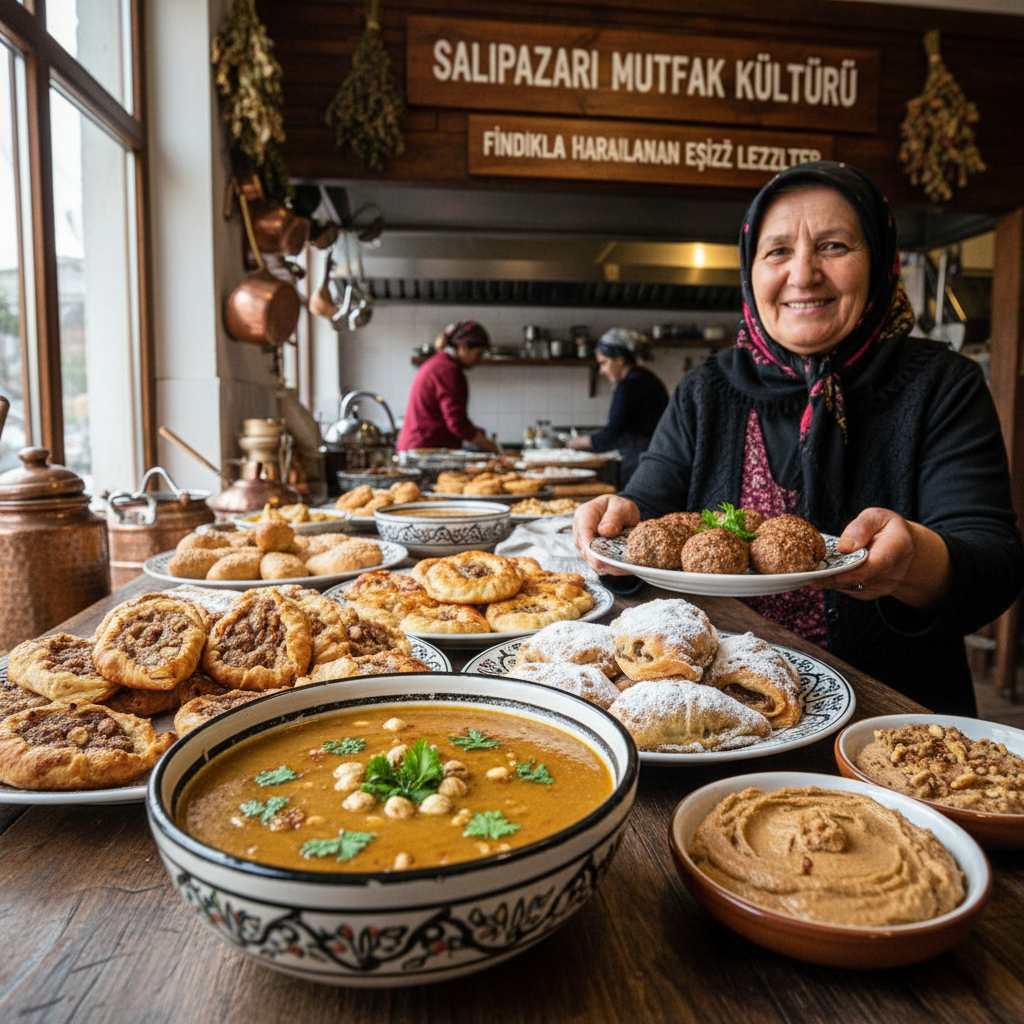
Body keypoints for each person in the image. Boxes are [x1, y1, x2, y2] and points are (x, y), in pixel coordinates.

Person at [573, 161, 1024, 716]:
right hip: (717, 709)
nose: (804, 274)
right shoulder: (705, 390)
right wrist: (616, 525)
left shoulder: (940, 385)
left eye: (834, 246)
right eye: (778, 251)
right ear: (750, 270)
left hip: (890, 718)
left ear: (880, 260)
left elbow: (995, 568)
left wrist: (913, 561)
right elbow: (647, 513)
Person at [567, 328, 669, 486]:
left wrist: (580, 442)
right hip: (655, 457)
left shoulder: (629, 385)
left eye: (604, 363)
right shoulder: (647, 378)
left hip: (639, 459)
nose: (602, 371)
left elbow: (613, 431)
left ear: (620, 360)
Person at [396, 320, 500, 454]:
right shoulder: (448, 370)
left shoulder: (439, 364)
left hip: (418, 446)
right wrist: (494, 449)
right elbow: (457, 423)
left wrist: (476, 433)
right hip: (425, 451)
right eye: (478, 354)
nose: (479, 360)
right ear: (463, 346)